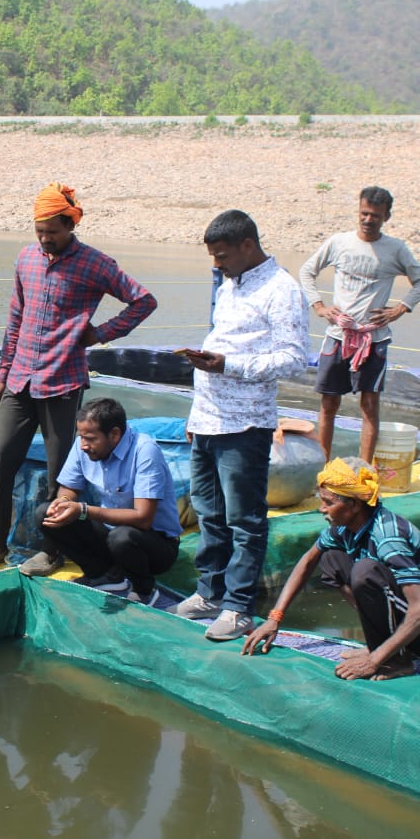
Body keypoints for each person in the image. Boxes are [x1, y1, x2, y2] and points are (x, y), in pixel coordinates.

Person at [0, 182, 157, 574]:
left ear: (70, 224)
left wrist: (101, 332)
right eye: (39, 231)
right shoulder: (26, 259)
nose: (44, 238)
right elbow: (15, 321)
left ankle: (52, 551)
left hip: (62, 381)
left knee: (62, 472)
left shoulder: (95, 264)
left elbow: (143, 301)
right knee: (2, 458)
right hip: (20, 380)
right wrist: (2, 374)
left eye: (52, 231)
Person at [173, 209, 309, 641]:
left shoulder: (282, 289)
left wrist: (229, 365)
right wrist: (197, 414)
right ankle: (210, 592)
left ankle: (239, 607)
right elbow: (223, 343)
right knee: (210, 514)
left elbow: (293, 360)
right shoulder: (231, 284)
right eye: (213, 256)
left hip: (245, 424)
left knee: (244, 520)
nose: (216, 264)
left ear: (248, 246)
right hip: (209, 420)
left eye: (222, 255)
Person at [242, 458, 420, 680]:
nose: (321, 509)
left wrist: (373, 662)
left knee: (365, 572)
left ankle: (395, 659)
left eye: (329, 502)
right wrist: (274, 619)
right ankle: (382, 645)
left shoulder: (388, 538)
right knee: (331, 558)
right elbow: (308, 561)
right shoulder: (342, 529)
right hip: (412, 619)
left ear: (355, 505)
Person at [299, 186, 420, 461]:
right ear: (358, 212)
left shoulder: (395, 249)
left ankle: (364, 469)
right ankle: (323, 467)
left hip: (374, 338)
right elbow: (307, 271)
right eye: (364, 213)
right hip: (338, 335)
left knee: (370, 405)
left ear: (387, 217)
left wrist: (400, 309)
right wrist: (320, 306)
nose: (368, 220)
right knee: (328, 403)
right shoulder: (339, 243)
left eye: (375, 216)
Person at [35, 398, 182, 605]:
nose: (84, 445)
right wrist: (65, 503)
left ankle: (144, 589)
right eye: (82, 437)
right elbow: (68, 487)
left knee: (122, 536)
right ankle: (104, 575)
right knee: (45, 513)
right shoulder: (82, 445)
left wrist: (82, 510)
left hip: (153, 545)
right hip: (110, 534)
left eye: (91, 439)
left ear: (114, 434)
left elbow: (143, 518)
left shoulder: (145, 451)